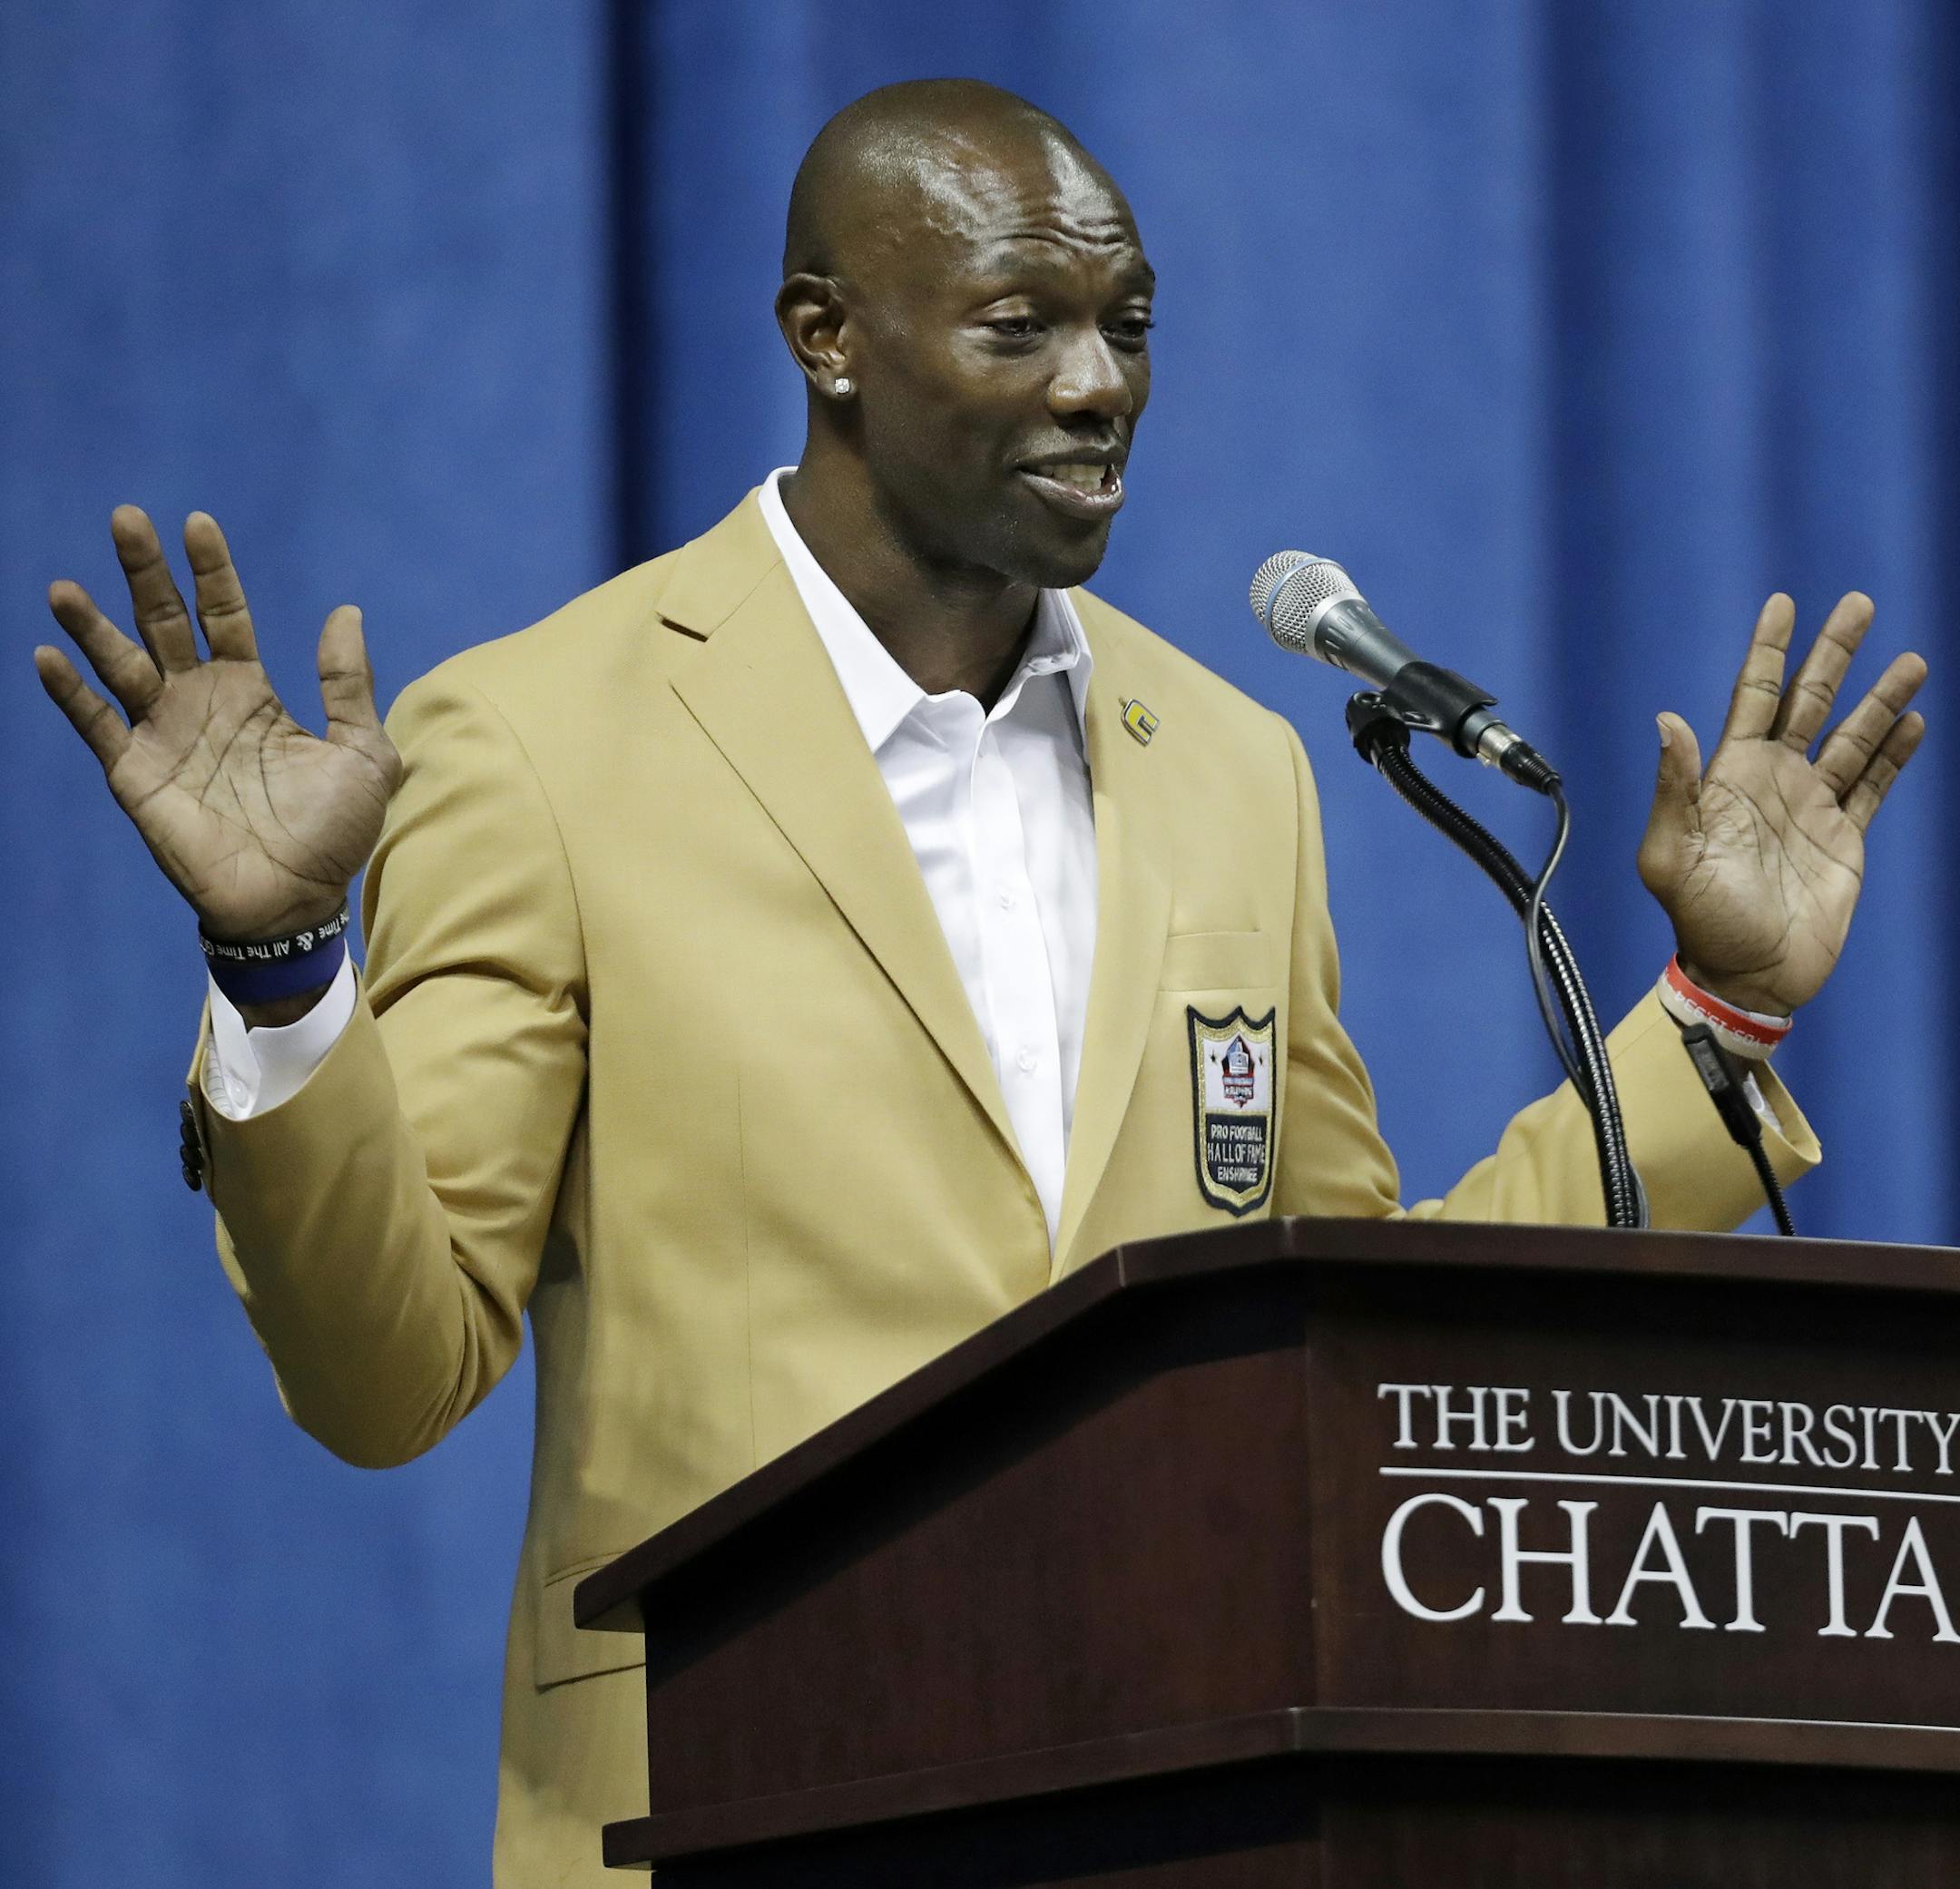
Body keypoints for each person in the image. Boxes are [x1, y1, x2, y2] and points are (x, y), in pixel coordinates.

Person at [31, 78, 1926, 1888]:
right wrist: (284, 978)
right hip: (737, 1816)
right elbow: (387, 1376)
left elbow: (1352, 1348)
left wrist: (1717, 1023)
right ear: (826, 335)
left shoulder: (1239, 763)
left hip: (1193, 1822)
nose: (1100, 387)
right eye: (1021, 325)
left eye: (1130, 325)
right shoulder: (543, 742)